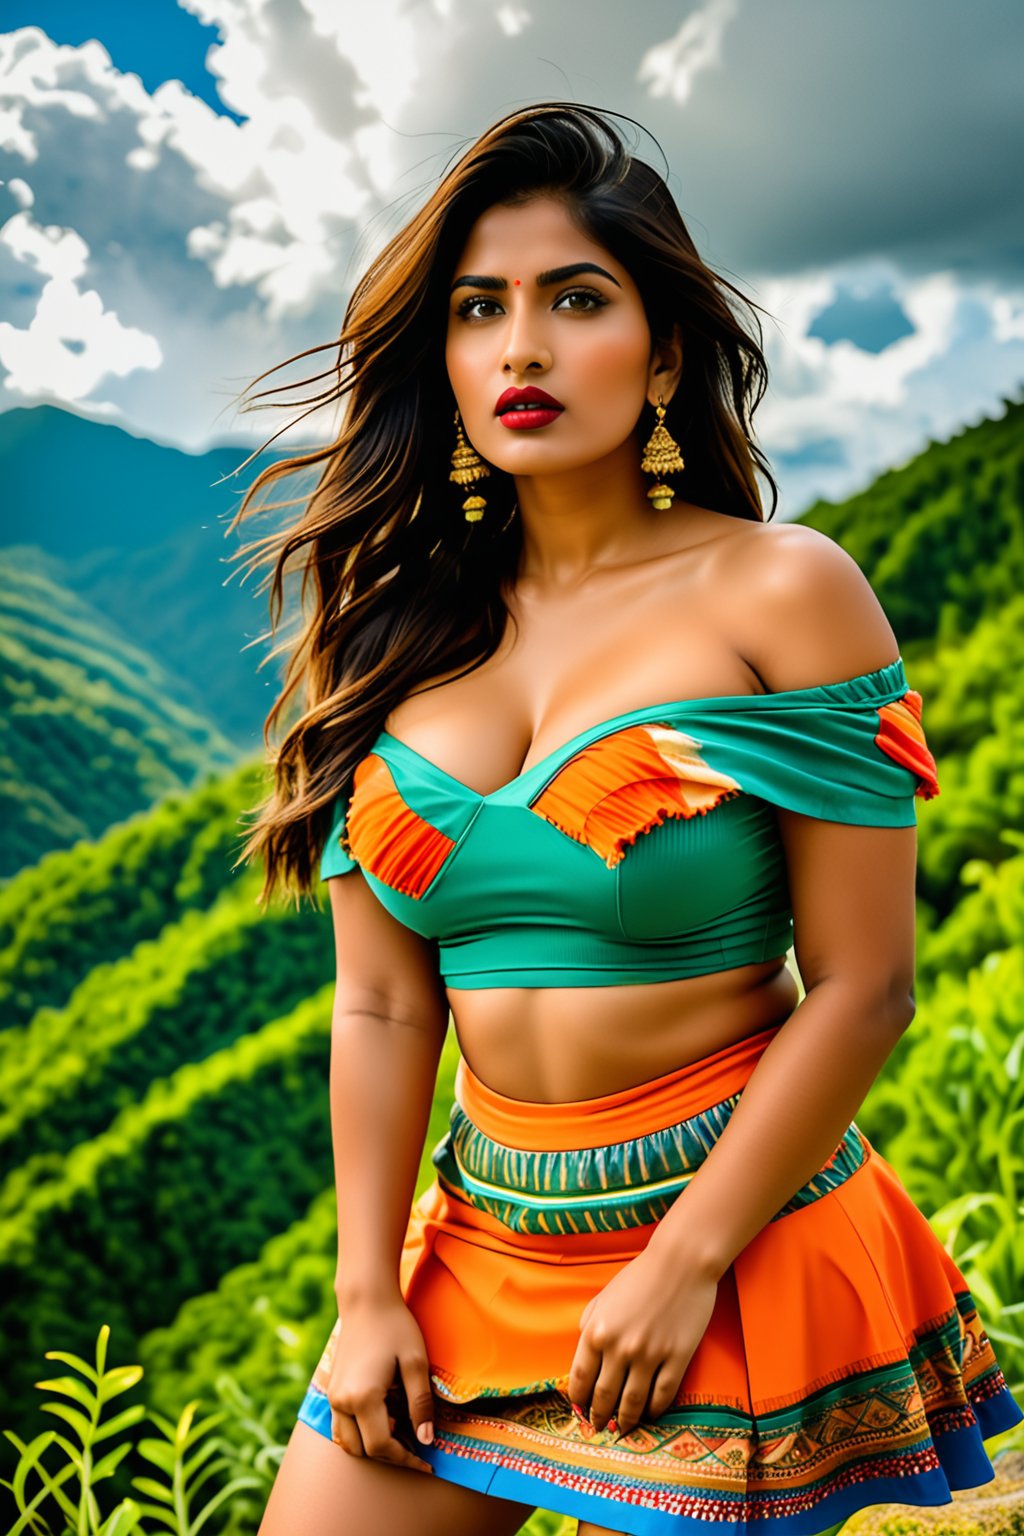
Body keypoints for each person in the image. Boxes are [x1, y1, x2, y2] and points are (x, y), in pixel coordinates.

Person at [240, 102, 1021, 1536]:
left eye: (576, 299)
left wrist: (686, 1262)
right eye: (481, 310)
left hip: (742, 1232)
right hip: (482, 1239)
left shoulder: (783, 594)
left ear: (663, 355)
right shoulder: (390, 641)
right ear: (450, 359)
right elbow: (382, 1013)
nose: (522, 347)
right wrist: (365, 1297)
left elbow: (866, 987)